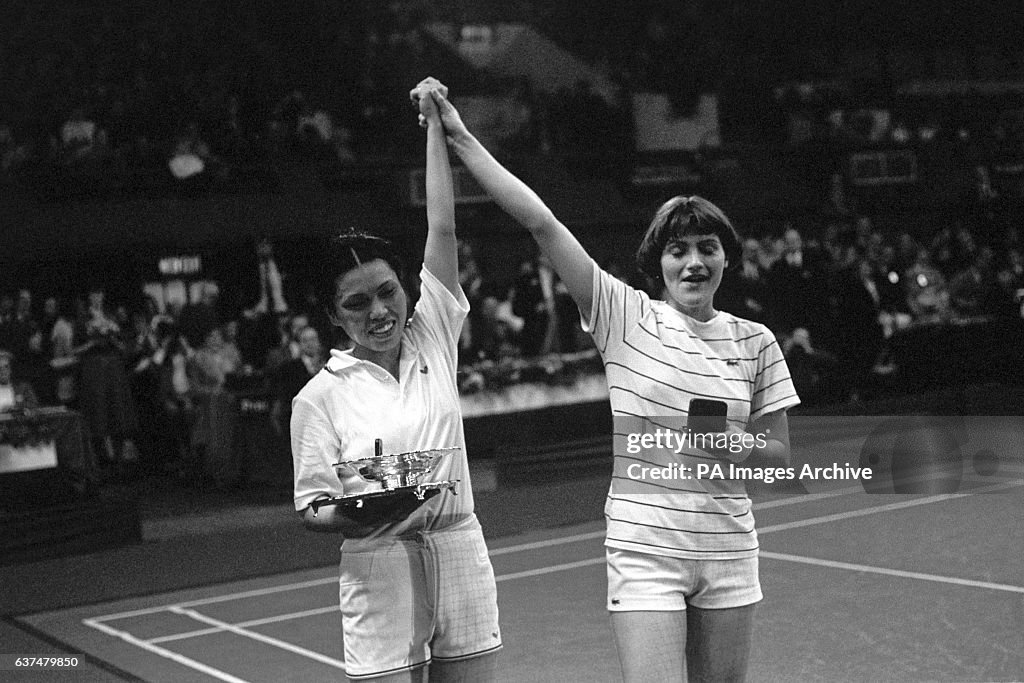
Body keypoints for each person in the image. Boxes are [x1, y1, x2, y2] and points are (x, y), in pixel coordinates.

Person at [422, 77, 799, 682]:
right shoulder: (624, 316)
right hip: (645, 550)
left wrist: (722, 442)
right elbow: (542, 223)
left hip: (730, 549)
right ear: (659, 261)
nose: (694, 261)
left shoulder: (755, 342)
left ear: (727, 257)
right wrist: (462, 139)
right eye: (678, 250)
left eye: (707, 247)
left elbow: (777, 456)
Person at [289, 81, 501, 682]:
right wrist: (350, 516)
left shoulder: (433, 332)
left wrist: (436, 127)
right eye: (357, 304)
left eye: (388, 292)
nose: (378, 311)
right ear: (334, 317)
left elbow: (443, 227)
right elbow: (312, 507)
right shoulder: (318, 399)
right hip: (377, 564)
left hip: (460, 547)